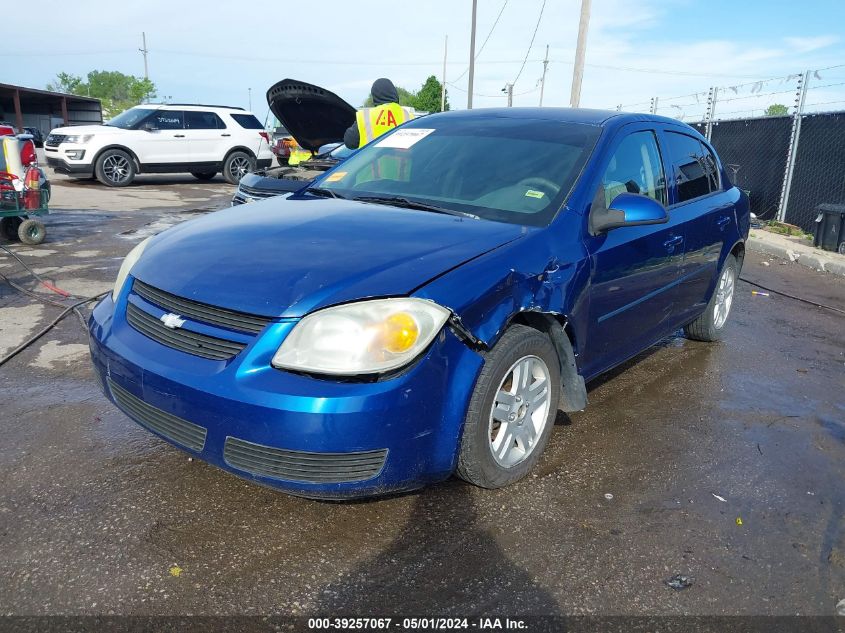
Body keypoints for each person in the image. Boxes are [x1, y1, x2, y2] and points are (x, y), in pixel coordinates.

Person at [343, 78, 415, 150]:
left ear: (375, 96)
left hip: (373, 160)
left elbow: (350, 143)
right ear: (394, 94)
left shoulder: (366, 116)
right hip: (402, 160)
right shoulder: (408, 115)